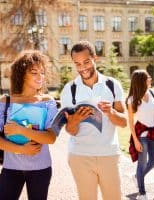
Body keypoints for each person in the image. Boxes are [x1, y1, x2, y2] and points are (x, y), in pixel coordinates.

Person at [60, 41, 127, 200]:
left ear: (95, 58)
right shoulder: (69, 90)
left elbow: (124, 122)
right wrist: (75, 120)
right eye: (78, 64)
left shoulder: (112, 85)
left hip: (108, 154)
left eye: (86, 62)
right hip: (80, 155)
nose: (82, 67)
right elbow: (70, 131)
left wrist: (110, 112)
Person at [0, 50, 58, 200]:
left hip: (41, 168)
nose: (40, 76)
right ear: (22, 74)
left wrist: (20, 130)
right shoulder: (5, 102)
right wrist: (22, 149)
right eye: (34, 72)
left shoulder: (48, 102)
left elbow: (51, 138)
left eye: (42, 72)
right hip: (11, 168)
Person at [126, 69, 154, 200]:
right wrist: (136, 141)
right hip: (141, 136)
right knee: (141, 164)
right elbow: (131, 122)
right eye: (147, 77)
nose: (150, 79)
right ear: (141, 81)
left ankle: (137, 176)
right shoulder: (132, 100)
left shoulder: (152, 93)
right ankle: (142, 193)